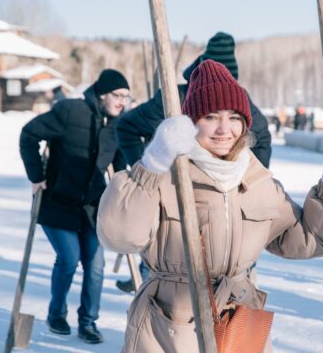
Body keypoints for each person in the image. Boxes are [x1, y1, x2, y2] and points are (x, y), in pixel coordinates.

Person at [97, 60, 323, 352]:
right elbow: (119, 236)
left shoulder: (257, 179)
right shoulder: (165, 174)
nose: (224, 129)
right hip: (168, 324)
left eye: (234, 117)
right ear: (191, 122)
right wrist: (152, 164)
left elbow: (306, 241)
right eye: (210, 116)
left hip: (237, 323)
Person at [114, 31, 272, 292]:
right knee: (164, 263)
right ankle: (146, 282)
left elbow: (262, 137)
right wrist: (150, 168)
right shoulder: (172, 99)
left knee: (232, 281)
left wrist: (248, 177)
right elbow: (127, 127)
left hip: (224, 204)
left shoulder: (241, 103)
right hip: (175, 196)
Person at [19, 69, 131, 344]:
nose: (122, 102)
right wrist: (37, 176)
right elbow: (29, 135)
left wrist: (121, 191)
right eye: (118, 96)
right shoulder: (70, 111)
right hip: (57, 202)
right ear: (102, 94)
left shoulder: (118, 126)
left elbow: (118, 165)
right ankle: (56, 313)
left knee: (95, 265)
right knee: (69, 258)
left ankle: (88, 322)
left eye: (126, 97)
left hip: (92, 207)